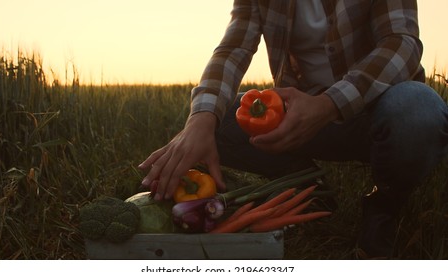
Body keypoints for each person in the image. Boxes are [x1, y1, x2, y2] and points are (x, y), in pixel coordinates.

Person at [139, 0, 448, 258]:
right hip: (298, 113)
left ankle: (384, 207)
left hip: (376, 107)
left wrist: (329, 104)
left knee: (419, 111)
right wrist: (200, 119)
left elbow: (402, 42)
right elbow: (232, 49)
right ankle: (311, 187)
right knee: (217, 124)